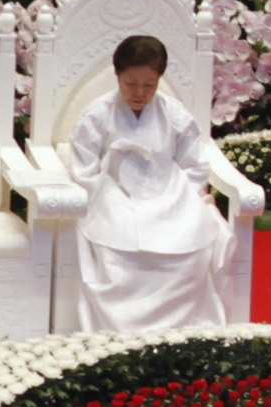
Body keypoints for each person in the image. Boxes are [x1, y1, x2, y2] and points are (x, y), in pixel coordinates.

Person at [66, 34, 230, 332]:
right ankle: (121, 328)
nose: (139, 93)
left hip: (169, 194)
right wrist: (106, 193)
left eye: (149, 85)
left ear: (159, 80)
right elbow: (84, 170)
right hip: (114, 194)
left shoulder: (174, 113)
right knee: (117, 255)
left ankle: (179, 329)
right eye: (131, 84)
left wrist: (181, 197)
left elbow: (194, 164)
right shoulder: (97, 114)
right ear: (117, 75)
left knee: (189, 251)